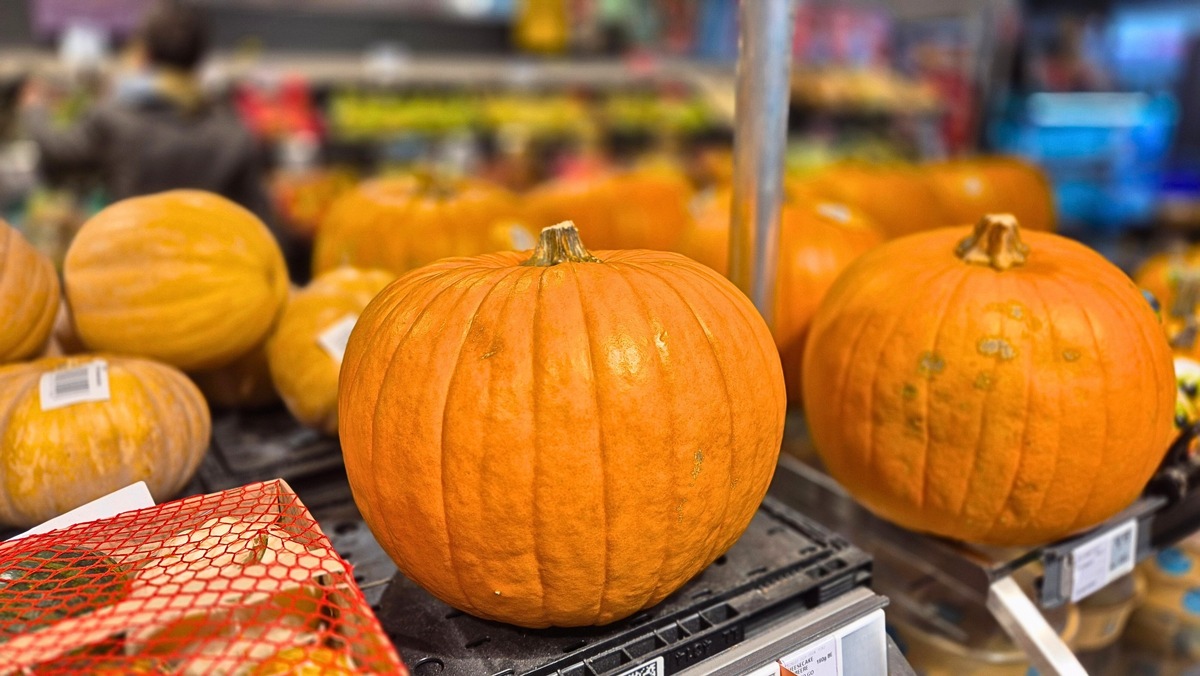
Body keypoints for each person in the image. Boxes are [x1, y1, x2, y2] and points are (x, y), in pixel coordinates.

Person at [19, 1, 272, 223]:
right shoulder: (233, 133)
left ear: (145, 54)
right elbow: (261, 221)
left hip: (136, 262)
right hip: (213, 265)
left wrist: (34, 109)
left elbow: (60, 149)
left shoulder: (115, 118)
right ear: (200, 57)